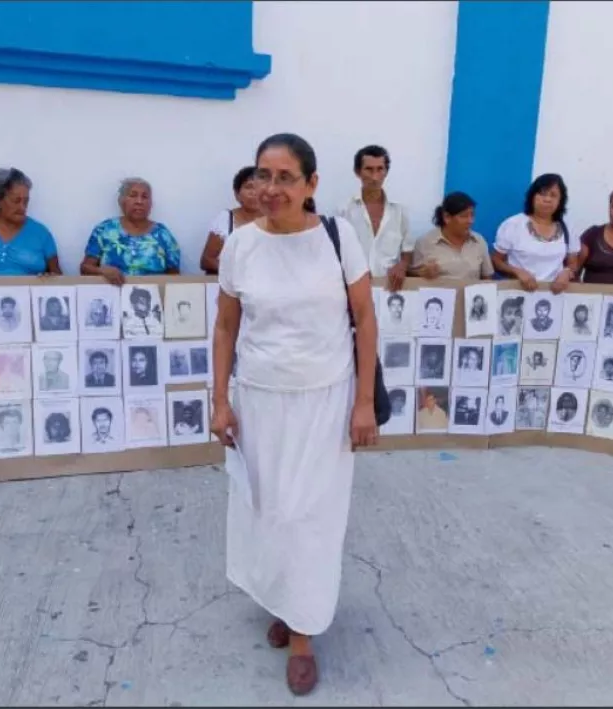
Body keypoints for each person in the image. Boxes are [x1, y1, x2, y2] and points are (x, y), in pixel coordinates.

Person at [211, 133, 377, 696]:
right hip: (259, 400)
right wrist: (219, 399)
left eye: (286, 177)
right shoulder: (240, 244)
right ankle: (285, 601)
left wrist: (363, 403)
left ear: (311, 184)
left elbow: (365, 318)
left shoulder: (338, 237)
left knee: (311, 516)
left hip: (326, 401)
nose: (272, 188)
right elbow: (227, 326)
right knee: (270, 511)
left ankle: (304, 633)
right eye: (264, 175)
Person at [337, 145, 412, 290]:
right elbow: (337, 252)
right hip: (353, 288)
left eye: (380, 169)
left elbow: (407, 250)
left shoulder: (400, 211)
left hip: (389, 290)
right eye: (369, 169)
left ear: (386, 172)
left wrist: (401, 266)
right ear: (357, 172)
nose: (375, 177)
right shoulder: (344, 210)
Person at [81, 178, 180, 285]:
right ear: (121, 201)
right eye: (133, 196)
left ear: (151, 204)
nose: (139, 201)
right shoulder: (104, 230)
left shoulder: (162, 234)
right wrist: (102, 271)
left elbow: (174, 277)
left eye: (145, 197)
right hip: (112, 296)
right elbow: (85, 269)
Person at [492, 174, 579, 293]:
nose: (547, 199)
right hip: (517, 295)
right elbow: (496, 261)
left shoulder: (568, 228)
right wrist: (517, 272)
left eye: (553, 195)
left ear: (560, 201)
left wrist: (567, 272)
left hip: (554, 296)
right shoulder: (513, 225)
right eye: (542, 193)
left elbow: (573, 263)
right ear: (532, 196)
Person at [410, 192, 494, 281]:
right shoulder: (425, 242)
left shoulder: (479, 241)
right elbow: (412, 277)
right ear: (447, 217)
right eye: (464, 216)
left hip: (471, 294)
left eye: (472, 215)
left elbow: (487, 278)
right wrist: (424, 273)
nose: (470, 221)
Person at [200, 166, 261, 275]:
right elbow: (206, 261)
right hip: (229, 285)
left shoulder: (276, 221)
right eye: (249, 187)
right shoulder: (226, 219)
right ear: (237, 194)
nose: (254, 193)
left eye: (258, 187)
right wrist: (235, 273)